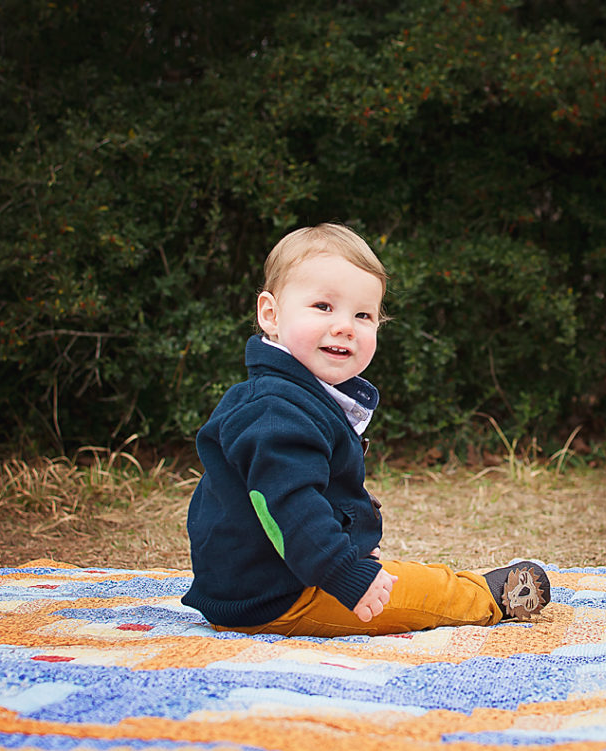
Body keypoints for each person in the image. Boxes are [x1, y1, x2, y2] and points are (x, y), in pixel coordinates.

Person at [181, 223, 550, 637]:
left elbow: (317, 489)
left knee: (396, 577)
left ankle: (445, 580)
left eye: (363, 314)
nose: (345, 326)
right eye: (323, 306)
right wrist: (344, 572)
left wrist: (351, 538)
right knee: (416, 595)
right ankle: (490, 597)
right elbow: (287, 505)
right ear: (270, 314)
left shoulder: (295, 397)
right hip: (278, 596)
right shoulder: (274, 409)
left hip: (274, 579)